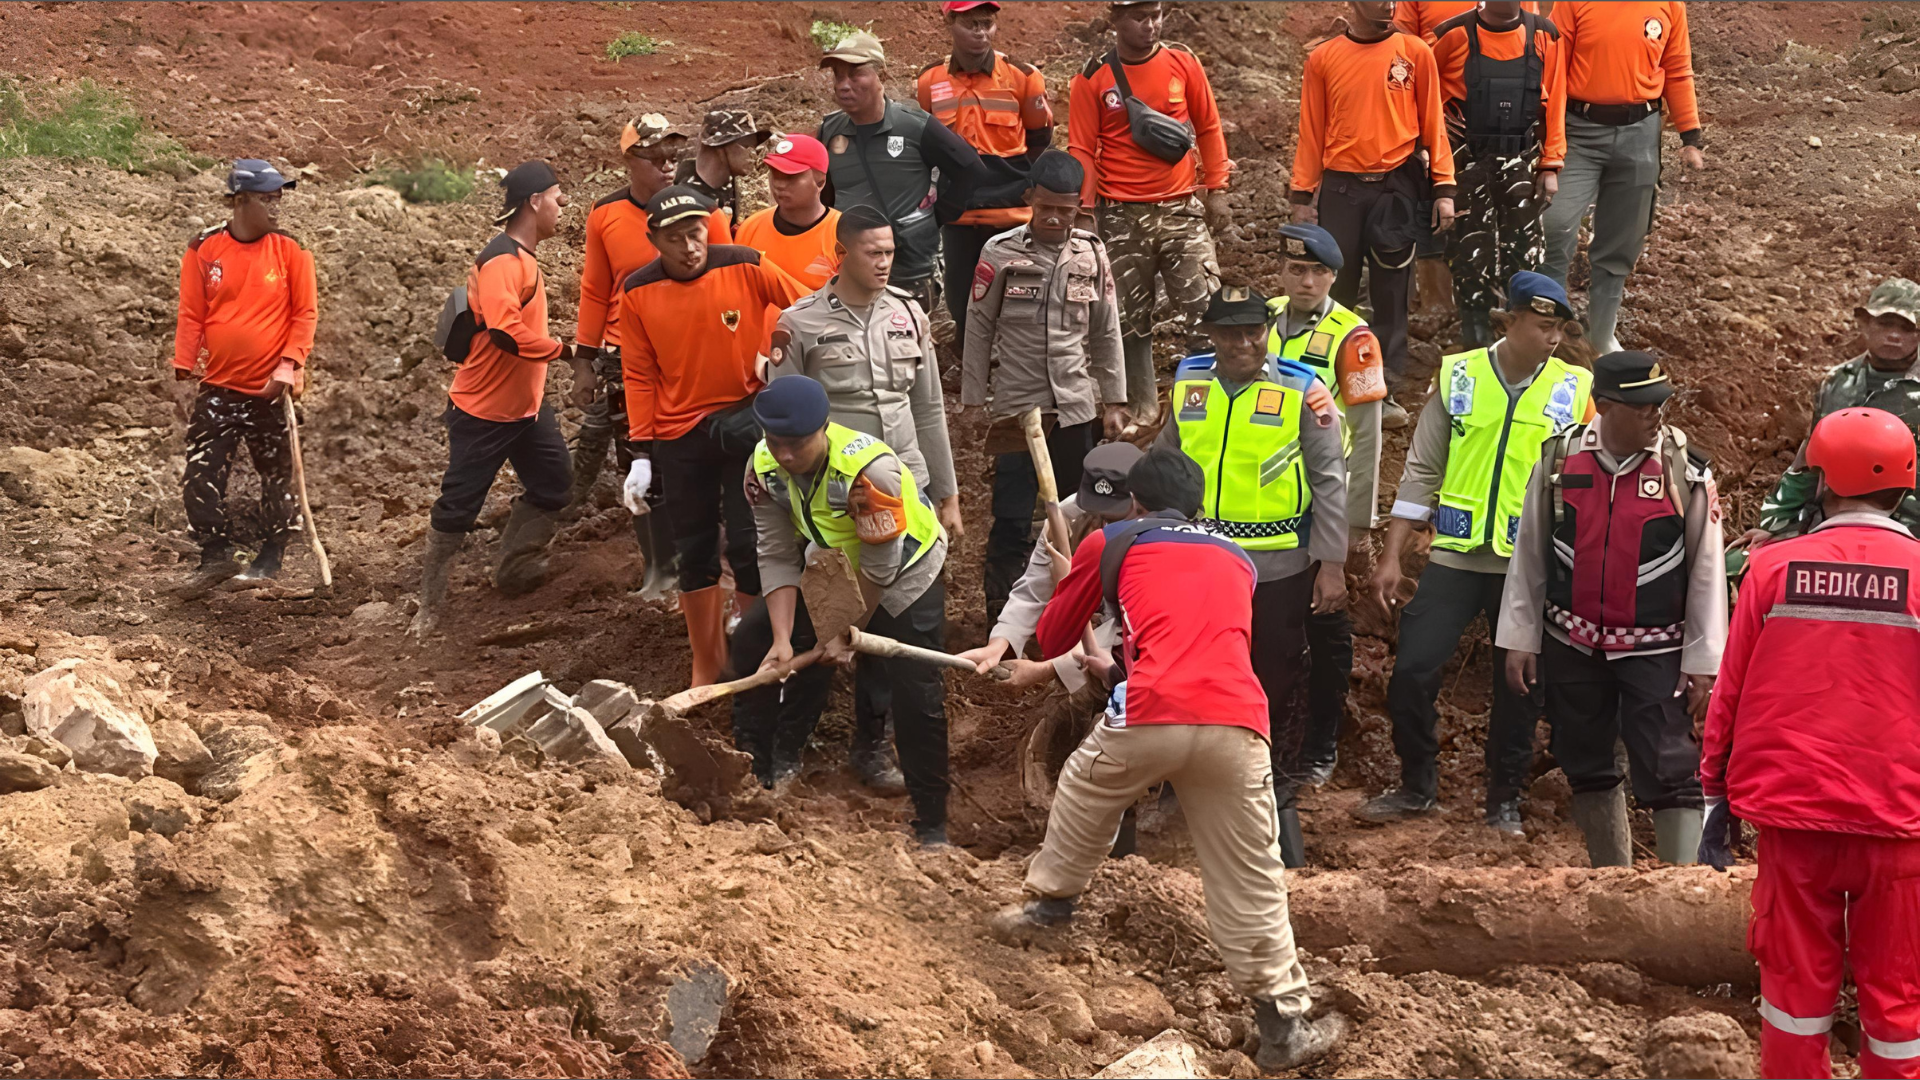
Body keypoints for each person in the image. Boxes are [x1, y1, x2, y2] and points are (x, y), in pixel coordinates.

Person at [989, 447, 1345, 1071]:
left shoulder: (1112, 541)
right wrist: (1113, 664)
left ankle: (1051, 906)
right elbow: (1198, 639)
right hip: (1237, 721)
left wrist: (1073, 581)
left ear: (1134, 501)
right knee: (1252, 873)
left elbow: (1051, 635)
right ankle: (1283, 1026)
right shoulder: (1238, 558)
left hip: (1151, 712)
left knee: (1083, 789)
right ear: (1200, 504)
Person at [1699, 406, 1920, 1080]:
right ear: (1903, 488)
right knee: (1899, 997)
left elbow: (1731, 690)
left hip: (1793, 816)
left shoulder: (1771, 569)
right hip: (1900, 822)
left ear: (1822, 482)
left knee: (1794, 995)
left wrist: (1715, 791)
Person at [1361, 272, 1590, 834]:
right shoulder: (1458, 376)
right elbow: (1421, 470)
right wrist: (1391, 555)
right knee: (1413, 670)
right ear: (1509, 321)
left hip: (1528, 566)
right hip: (1455, 557)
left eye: (1559, 329)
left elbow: (1590, 481)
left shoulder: (1574, 390)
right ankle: (1417, 784)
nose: (1552, 338)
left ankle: (1504, 798)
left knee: (1520, 686)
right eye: (1541, 326)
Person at [1497, 350, 1725, 866]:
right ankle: (1611, 880)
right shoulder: (1559, 460)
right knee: (1585, 760)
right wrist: (1519, 636)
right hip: (1571, 643)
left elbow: (1707, 571)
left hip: (1657, 648)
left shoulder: (1685, 470)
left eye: (1659, 404)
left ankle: (1680, 890)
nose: (1655, 415)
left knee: (1671, 765)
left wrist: (1704, 663)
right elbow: (1530, 552)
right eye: (1641, 406)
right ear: (1603, 406)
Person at [766, 203, 964, 791]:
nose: (884, 263)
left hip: (905, 491)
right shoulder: (800, 325)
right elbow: (780, 423)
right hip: (834, 504)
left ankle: (872, 747)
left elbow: (928, 409)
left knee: (890, 631)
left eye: (890, 252)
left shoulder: (909, 314)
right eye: (873, 252)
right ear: (842, 254)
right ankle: (784, 750)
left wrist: (947, 494)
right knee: (820, 626)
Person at [1156, 285, 1348, 866]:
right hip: (1199, 561)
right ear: (1211, 335)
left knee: (1274, 672)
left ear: (1268, 331)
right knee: (1189, 668)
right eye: (1229, 332)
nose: (1242, 342)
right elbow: (1166, 461)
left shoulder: (1303, 390)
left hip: (1278, 564)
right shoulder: (1189, 381)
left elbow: (1329, 480)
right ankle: (1182, 780)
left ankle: (1270, 781)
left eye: (1252, 331)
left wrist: (1332, 563)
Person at [731, 376, 954, 844]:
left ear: (823, 429)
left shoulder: (872, 476)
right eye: (775, 441)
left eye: (796, 444)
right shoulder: (763, 465)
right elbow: (775, 552)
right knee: (754, 639)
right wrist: (781, 639)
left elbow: (880, 567)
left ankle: (930, 821)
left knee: (914, 691)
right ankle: (764, 762)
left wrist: (846, 632)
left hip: (905, 572)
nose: (785, 454)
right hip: (835, 564)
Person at [617, 186, 808, 686]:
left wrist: (779, 357)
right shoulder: (637, 292)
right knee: (694, 546)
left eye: (696, 233)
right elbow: (638, 373)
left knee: (750, 541)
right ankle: (706, 663)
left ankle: (755, 651)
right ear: (654, 241)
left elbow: (808, 308)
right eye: (675, 239)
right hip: (680, 432)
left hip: (746, 422)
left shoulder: (745, 264)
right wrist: (641, 452)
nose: (689, 247)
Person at [961, 150, 1127, 621]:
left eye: (1065, 210)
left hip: (1075, 407)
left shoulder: (1091, 253)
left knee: (1082, 509)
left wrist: (1115, 399)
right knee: (1012, 515)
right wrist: (973, 400)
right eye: (1046, 207)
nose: (1055, 218)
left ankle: (1079, 607)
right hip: (1018, 409)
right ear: (1030, 197)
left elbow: (1106, 328)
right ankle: (1001, 613)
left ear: (1079, 206)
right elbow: (978, 326)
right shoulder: (1000, 251)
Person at [571, 114, 732, 598]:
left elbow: (732, 283)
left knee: (702, 451)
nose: (666, 165)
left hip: (691, 350)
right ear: (629, 160)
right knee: (639, 458)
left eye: (672, 156)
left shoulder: (704, 212)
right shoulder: (605, 214)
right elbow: (595, 288)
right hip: (628, 354)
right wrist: (584, 359)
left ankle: (713, 561)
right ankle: (659, 568)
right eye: (655, 157)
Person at [412, 162, 573, 637]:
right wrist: (565, 350)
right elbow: (506, 333)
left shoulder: (523, 257)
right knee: (458, 507)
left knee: (554, 485)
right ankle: (429, 604)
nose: (563, 207)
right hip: (483, 412)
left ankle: (515, 567)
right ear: (535, 202)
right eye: (557, 198)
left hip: (527, 408)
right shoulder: (503, 260)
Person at [1291, 0, 1457, 428]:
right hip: (1341, 188)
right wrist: (1302, 195)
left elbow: (1434, 123)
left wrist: (1443, 187)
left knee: (1391, 290)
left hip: (1396, 186)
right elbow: (1311, 130)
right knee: (1336, 287)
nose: (1388, 4)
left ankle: (1381, 390)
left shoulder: (1414, 52)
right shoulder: (1324, 58)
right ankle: (1326, 384)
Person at [1262, 223, 1387, 785]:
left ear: (1334, 276)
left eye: (1316, 272)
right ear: (1282, 272)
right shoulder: (1262, 320)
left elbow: (1369, 434)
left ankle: (1321, 743)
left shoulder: (1353, 338)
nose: (1305, 281)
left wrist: (1356, 524)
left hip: (1321, 500)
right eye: (1296, 270)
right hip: (1263, 503)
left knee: (1325, 624)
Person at [1069, 0, 1233, 424]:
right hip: (1121, 215)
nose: (1151, 25)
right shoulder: (1093, 77)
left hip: (1181, 209)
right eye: (1139, 17)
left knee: (1206, 307)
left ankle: (1211, 406)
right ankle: (1141, 408)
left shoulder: (1183, 63)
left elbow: (1208, 125)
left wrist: (1216, 189)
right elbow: (1082, 147)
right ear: (1116, 20)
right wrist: (1085, 211)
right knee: (1127, 319)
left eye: (1156, 15)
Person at [171, 158, 316, 584]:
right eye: (266, 199)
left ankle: (271, 555)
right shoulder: (204, 247)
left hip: (271, 387)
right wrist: (185, 359)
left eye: (278, 199)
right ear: (239, 201)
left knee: (277, 474)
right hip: (218, 384)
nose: (276, 208)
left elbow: (305, 314)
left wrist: (289, 364)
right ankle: (214, 555)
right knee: (200, 471)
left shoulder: (291, 249)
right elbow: (192, 310)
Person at [1540, 1, 1705, 355]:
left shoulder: (1670, 6)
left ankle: (1600, 336)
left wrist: (1690, 135)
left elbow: (1677, 69)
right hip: (1578, 131)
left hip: (1639, 133)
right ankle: (1546, 332)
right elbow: (1552, 67)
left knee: (1622, 239)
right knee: (1554, 225)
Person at [818, 30, 985, 317]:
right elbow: (825, 194)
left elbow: (970, 169)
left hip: (909, 271)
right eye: (838, 76)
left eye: (855, 74)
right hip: (851, 269)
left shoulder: (914, 126)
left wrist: (934, 217)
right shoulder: (830, 130)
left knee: (908, 340)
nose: (843, 85)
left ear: (881, 74)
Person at [917, 0, 1055, 346]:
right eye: (970, 24)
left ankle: (1017, 367)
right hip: (959, 214)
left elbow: (1040, 138)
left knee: (1020, 305)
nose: (981, 33)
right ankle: (971, 367)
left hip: (1012, 213)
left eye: (987, 23)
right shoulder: (930, 80)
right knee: (962, 304)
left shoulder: (1023, 77)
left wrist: (1021, 186)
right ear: (949, 22)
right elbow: (926, 144)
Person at [1742, 278, 1920, 545]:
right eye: (1885, 323)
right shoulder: (1837, 381)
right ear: (1865, 324)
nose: (1894, 335)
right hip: (1837, 526)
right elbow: (1811, 459)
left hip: (1909, 534)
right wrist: (1777, 525)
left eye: (1906, 327)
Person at [1431, 1, 1567, 349]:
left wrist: (1550, 164)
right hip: (1469, 164)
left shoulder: (1546, 36)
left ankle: (1517, 343)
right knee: (1469, 256)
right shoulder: (1452, 35)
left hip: (1523, 164)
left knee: (1523, 256)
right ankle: (1476, 344)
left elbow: (1557, 101)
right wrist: (1438, 161)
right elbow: (1427, 99)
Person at [732, 134, 842, 290]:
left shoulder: (844, 235)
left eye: (790, 176)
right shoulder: (749, 229)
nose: (779, 184)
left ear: (820, 182)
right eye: (774, 173)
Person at [674, 108, 771, 224]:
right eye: (746, 146)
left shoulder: (731, 187)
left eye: (754, 147)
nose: (753, 153)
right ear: (720, 146)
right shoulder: (687, 198)